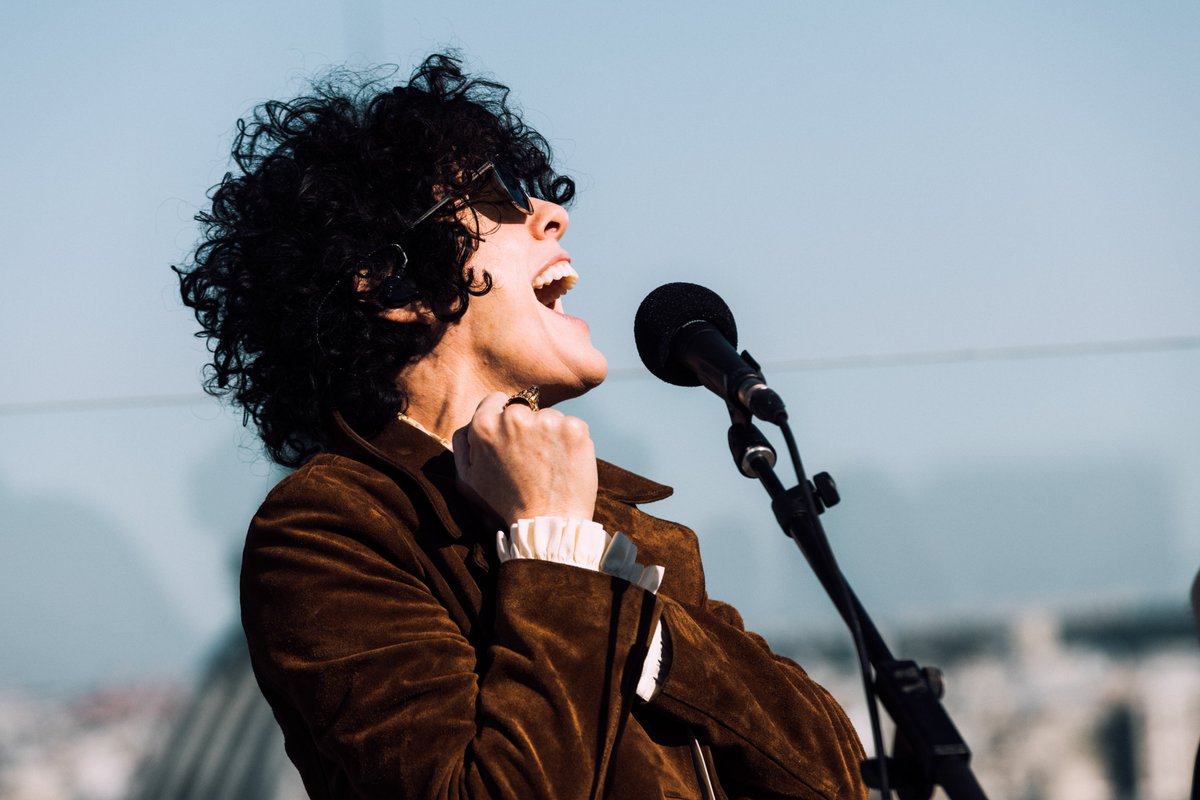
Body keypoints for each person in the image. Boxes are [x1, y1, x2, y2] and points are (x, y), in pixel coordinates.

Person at [175, 53, 867, 800]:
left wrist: (639, 623)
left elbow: (834, 775)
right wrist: (554, 550)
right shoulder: (330, 530)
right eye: (500, 195)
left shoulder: (607, 517)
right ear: (393, 282)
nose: (552, 214)